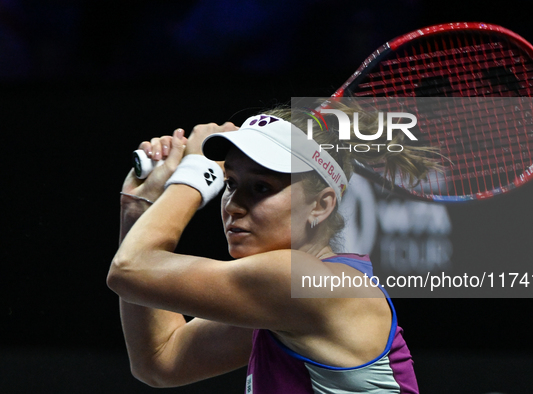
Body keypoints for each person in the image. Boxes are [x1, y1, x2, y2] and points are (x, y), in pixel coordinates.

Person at [108, 105, 435, 393]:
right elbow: (160, 362)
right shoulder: (284, 302)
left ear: (321, 206)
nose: (234, 205)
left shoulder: (299, 282)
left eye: (261, 187)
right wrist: (137, 208)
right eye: (231, 182)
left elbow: (129, 269)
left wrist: (194, 171)